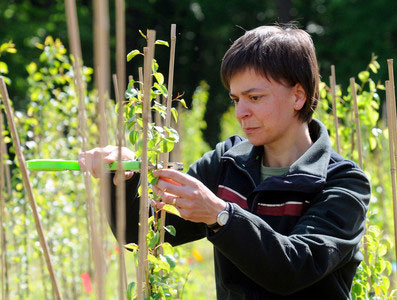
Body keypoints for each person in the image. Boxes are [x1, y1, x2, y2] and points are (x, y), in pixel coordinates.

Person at [79, 24, 370, 299]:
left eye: (254, 98)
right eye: (235, 99)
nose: (240, 112)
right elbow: (142, 235)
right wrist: (122, 179)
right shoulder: (227, 162)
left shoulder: (343, 182)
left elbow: (294, 269)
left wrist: (221, 215)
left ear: (298, 96)